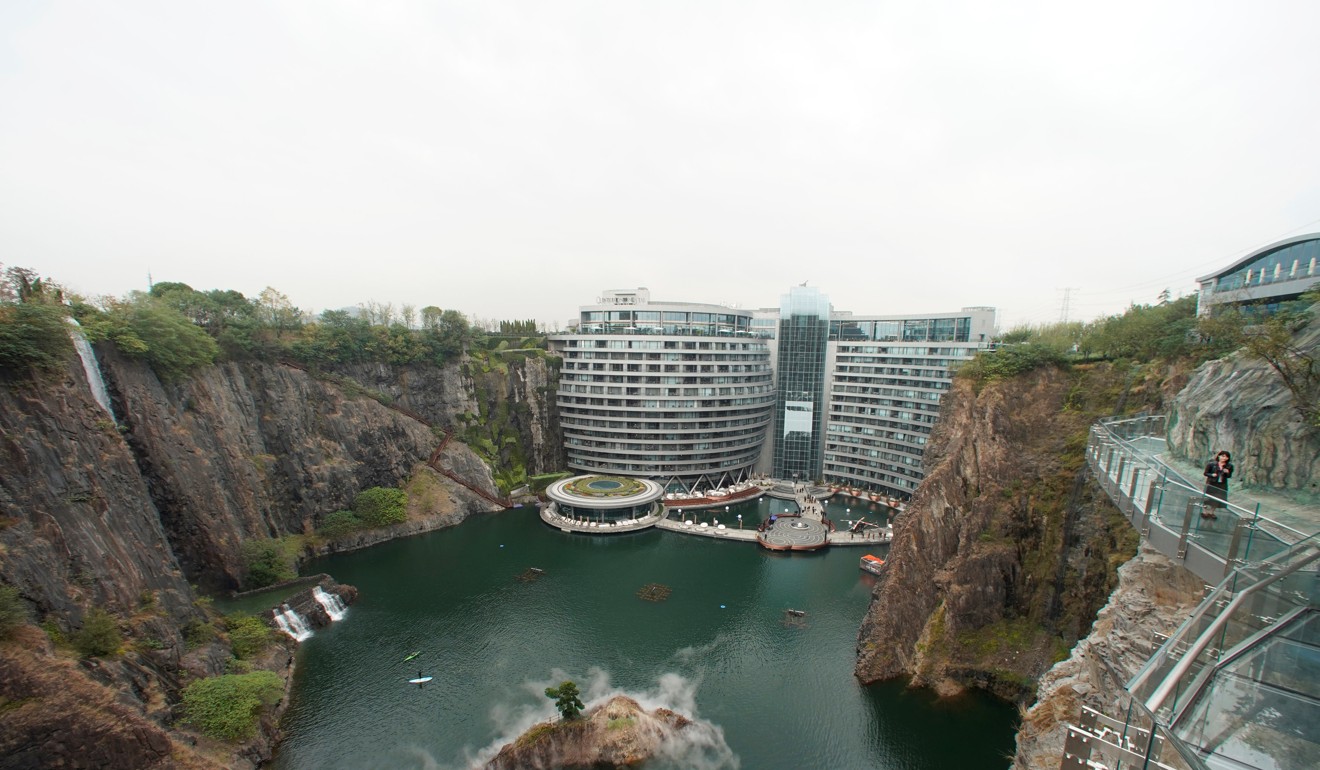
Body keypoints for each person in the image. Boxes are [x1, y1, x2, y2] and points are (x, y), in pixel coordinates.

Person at [1202, 450, 1233, 518]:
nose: (1224, 458)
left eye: (1226, 457)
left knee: (1217, 499)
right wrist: (1212, 475)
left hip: (1221, 484)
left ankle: (1211, 512)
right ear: (1219, 456)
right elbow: (1205, 473)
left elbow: (1229, 476)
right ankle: (1204, 511)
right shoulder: (1211, 464)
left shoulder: (1229, 466)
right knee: (1207, 498)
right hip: (1211, 483)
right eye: (1223, 456)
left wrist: (1227, 472)